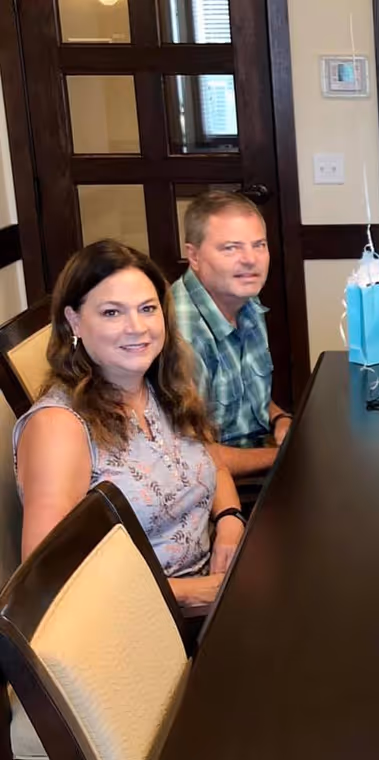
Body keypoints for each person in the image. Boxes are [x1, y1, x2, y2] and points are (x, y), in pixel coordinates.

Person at [15, 240, 245, 608]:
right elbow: (48, 582)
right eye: (111, 313)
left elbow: (208, 460)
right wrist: (190, 594)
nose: (137, 327)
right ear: (74, 321)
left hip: (215, 587)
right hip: (147, 627)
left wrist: (231, 519)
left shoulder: (159, 383)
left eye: (147, 308)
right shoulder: (59, 428)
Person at [171, 191, 291, 477]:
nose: (250, 259)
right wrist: (284, 456)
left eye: (259, 245)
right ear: (194, 256)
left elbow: (242, 399)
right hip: (212, 486)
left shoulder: (245, 302)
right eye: (231, 248)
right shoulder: (181, 335)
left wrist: (280, 418)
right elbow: (195, 458)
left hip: (256, 452)